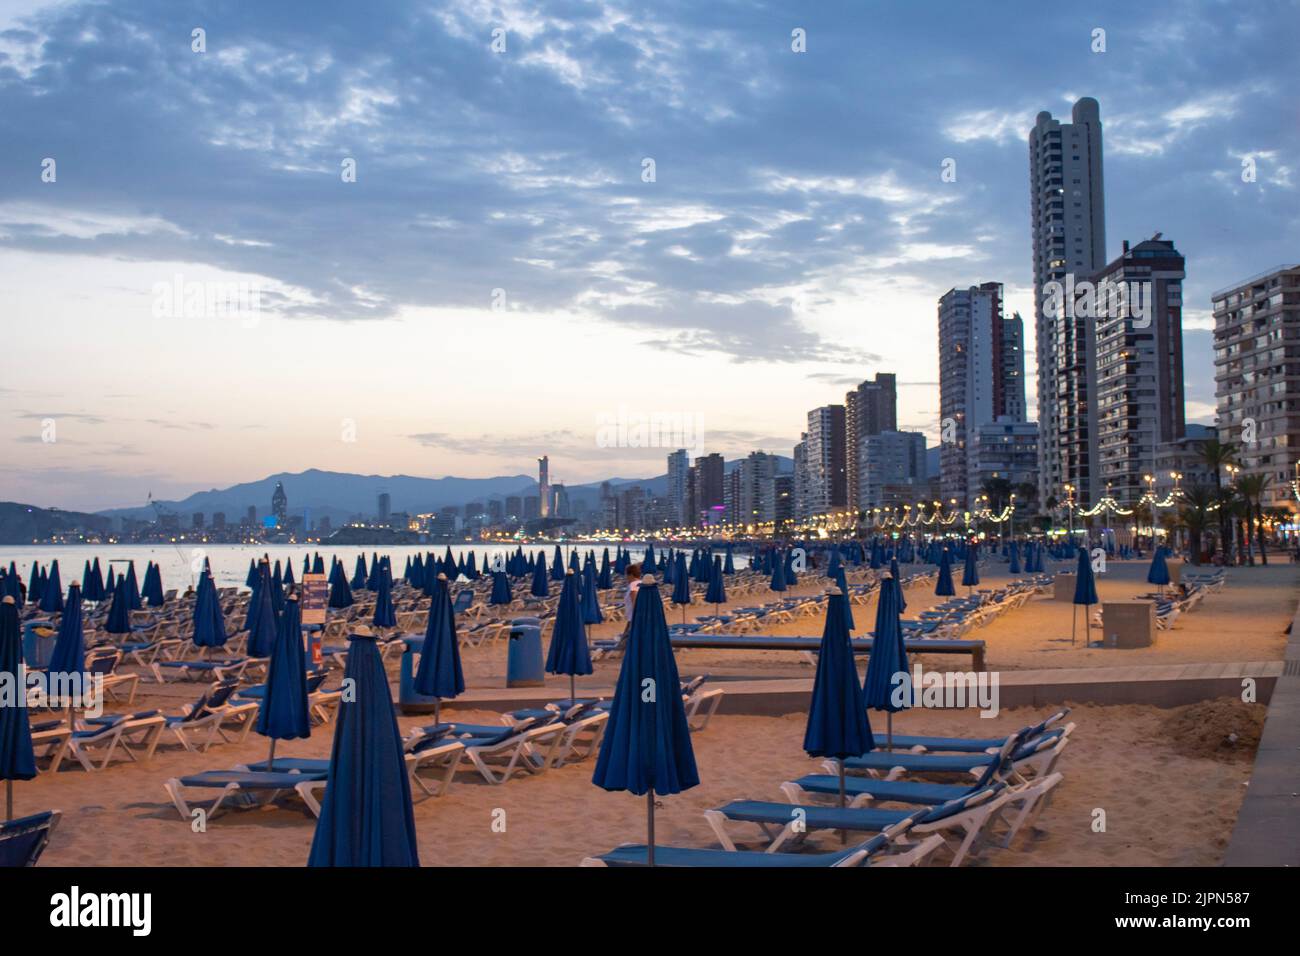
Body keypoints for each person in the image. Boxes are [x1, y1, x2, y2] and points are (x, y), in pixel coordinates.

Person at [622, 563, 642, 637]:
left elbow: (635, 601)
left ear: (631, 575)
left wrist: (636, 617)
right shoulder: (641, 583)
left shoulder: (633, 585)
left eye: (626, 575)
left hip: (633, 617)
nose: (626, 577)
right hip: (637, 616)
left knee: (625, 639)